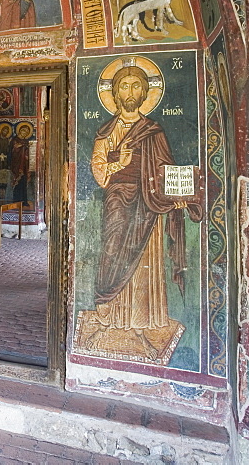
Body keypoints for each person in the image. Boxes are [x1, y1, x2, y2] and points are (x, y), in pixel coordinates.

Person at [78, 66, 202, 360]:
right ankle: (113, 314)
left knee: (146, 258)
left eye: (136, 87)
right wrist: (118, 163)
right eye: (124, 87)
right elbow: (99, 173)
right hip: (118, 200)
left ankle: (143, 321)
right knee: (112, 248)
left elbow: (165, 171)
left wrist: (177, 197)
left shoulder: (154, 131)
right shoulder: (106, 132)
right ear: (115, 92)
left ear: (145, 93)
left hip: (149, 204)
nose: (130, 93)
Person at [10, 123, 33, 204]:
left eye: (26, 133)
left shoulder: (25, 141)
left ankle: (24, 201)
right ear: (20, 131)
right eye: (23, 131)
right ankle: (16, 200)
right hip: (16, 164)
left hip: (24, 165)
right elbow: (14, 149)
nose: (24, 133)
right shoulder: (15, 140)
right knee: (17, 182)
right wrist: (23, 146)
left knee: (23, 183)